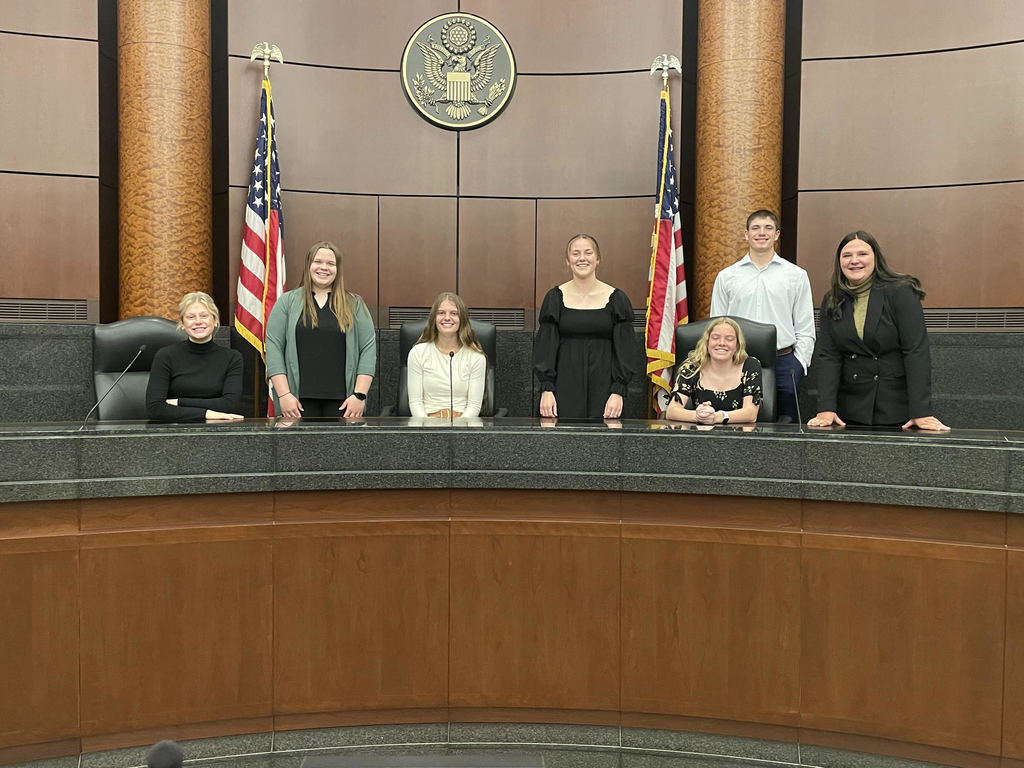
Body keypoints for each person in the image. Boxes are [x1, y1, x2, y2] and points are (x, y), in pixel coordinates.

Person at [808, 231, 949, 431]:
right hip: (850, 410)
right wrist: (826, 409)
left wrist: (921, 411)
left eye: (862, 254)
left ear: (876, 258)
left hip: (895, 408)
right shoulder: (832, 299)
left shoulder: (900, 292)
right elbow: (829, 356)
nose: (854, 261)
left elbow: (916, 352)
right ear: (839, 262)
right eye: (847, 255)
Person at [709, 209, 815, 422]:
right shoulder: (727, 277)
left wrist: (799, 363)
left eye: (768, 228)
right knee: (739, 424)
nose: (761, 233)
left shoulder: (796, 275)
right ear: (746, 234)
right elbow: (717, 324)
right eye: (755, 228)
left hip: (784, 363)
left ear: (776, 234)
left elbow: (805, 327)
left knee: (786, 428)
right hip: (737, 361)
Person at [265, 240, 376, 418]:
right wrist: (284, 395)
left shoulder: (354, 304)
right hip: (297, 402)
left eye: (330, 263)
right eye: (318, 262)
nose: (324, 267)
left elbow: (368, 350)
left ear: (337, 269)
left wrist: (359, 396)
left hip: (345, 403)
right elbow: (273, 348)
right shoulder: (287, 302)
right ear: (308, 265)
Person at [533, 234, 637, 419]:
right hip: (562, 390)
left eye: (588, 253)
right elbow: (545, 350)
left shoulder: (617, 299)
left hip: (606, 392)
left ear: (598, 259)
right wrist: (546, 390)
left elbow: (625, 351)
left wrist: (618, 391)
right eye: (575, 253)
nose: (582, 258)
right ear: (568, 261)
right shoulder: (554, 298)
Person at [145, 292, 244, 422]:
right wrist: (208, 414)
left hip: (217, 433)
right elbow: (155, 408)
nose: (198, 321)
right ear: (182, 323)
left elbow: (230, 405)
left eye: (204, 316)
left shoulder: (232, 358)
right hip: (173, 433)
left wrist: (179, 402)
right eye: (191, 317)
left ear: (215, 320)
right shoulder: (165, 356)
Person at [665, 317, 762, 424]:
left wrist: (717, 417)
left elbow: (751, 414)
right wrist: (699, 416)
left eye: (729, 339)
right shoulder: (693, 367)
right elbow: (671, 411)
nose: (721, 343)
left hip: (740, 436)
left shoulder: (750, 366)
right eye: (715, 338)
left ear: (737, 346)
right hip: (702, 435)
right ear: (707, 342)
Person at [407, 292, 486, 418]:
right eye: (441, 313)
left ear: (462, 319)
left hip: (463, 425)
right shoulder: (418, 353)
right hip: (427, 424)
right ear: (434, 318)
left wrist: (458, 431)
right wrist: (425, 430)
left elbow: (474, 406)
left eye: (454, 313)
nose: (447, 318)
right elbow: (415, 403)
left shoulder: (476, 357)